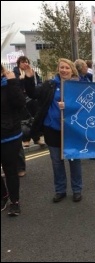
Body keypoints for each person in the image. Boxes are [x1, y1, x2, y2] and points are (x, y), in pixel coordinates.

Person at [26, 58, 83, 203]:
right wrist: (28, 76)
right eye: (61, 67)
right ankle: (60, 190)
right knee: (57, 162)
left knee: (73, 160)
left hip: (72, 130)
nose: (64, 70)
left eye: (67, 68)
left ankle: (77, 190)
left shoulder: (79, 86)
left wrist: (69, 106)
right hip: (52, 128)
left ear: (72, 70)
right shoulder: (50, 85)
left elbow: (86, 109)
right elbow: (32, 93)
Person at [1, 64, 26, 216]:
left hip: (9, 135)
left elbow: (20, 103)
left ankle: (14, 202)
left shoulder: (8, 85)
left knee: (10, 170)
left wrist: (12, 82)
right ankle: (3, 195)